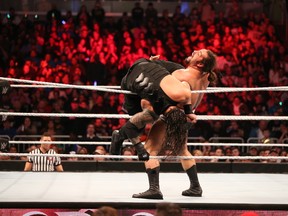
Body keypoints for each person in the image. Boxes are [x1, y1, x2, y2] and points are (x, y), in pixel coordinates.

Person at [110, 49, 217, 199]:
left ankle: (154, 189)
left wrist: (154, 63)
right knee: (182, 150)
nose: (194, 51)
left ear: (199, 64)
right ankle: (195, 187)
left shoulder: (182, 75)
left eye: (198, 53)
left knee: (150, 149)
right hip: (186, 118)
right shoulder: (206, 77)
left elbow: (160, 81)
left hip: (172, 117)